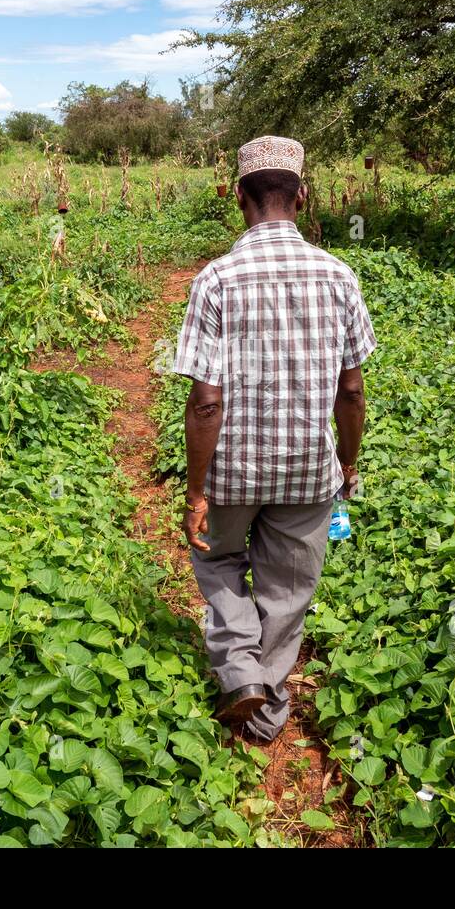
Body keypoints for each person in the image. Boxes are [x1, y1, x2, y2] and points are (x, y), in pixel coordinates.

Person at [172, 135, 376, 743]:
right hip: (309, 470)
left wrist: (195, 492)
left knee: (221, 562)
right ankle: (267, 712)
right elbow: (353, 393)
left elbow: (206, 401)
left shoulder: (216, 281)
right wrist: (347, 462)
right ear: (302, 196)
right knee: (289, 588)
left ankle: (239, 671)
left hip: (233, 471)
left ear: (240, 197)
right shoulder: (339, 276)